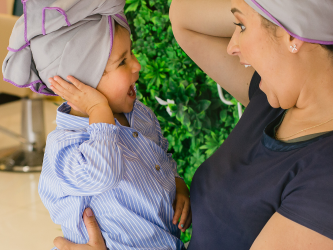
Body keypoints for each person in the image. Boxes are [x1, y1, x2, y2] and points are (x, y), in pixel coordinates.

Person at [53, 0, 333, 250]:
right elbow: (184, 16)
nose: (232, 45)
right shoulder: (275, 96)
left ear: (292, 36)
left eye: (242, 26)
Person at [2, 0, 191, 249]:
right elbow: (102, 174)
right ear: (83, 82)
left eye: (131, 53)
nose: (137, 66)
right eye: (122, 62)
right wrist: (98, 110)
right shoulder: (64, 147)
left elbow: (160, 154)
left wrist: (177, 183)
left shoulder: (139, 113)